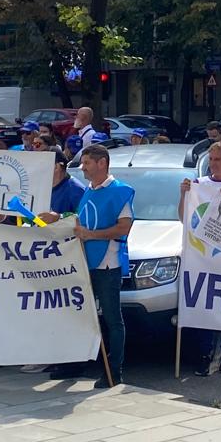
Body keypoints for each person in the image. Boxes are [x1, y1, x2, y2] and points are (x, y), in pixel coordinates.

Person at [53, 144, 132, 388]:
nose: (83, 168)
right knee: (82, 316)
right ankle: (75, 364)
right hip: (85, 262)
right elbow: (79, 220)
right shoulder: (88, 190)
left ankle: (114, 371)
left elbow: (123, 228)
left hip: (107, 264)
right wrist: (58, 219)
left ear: (101, 163)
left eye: (87, 163)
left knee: (111, 319)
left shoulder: (120, 192)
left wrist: (92, 235)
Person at [181, 141, 221, 375]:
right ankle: (205, 354)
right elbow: (184, 218)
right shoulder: (199, 185)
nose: (213, 163)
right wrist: (183, 195)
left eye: (218, 159)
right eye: (211, 159)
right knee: (207, 307)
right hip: (203, 258)